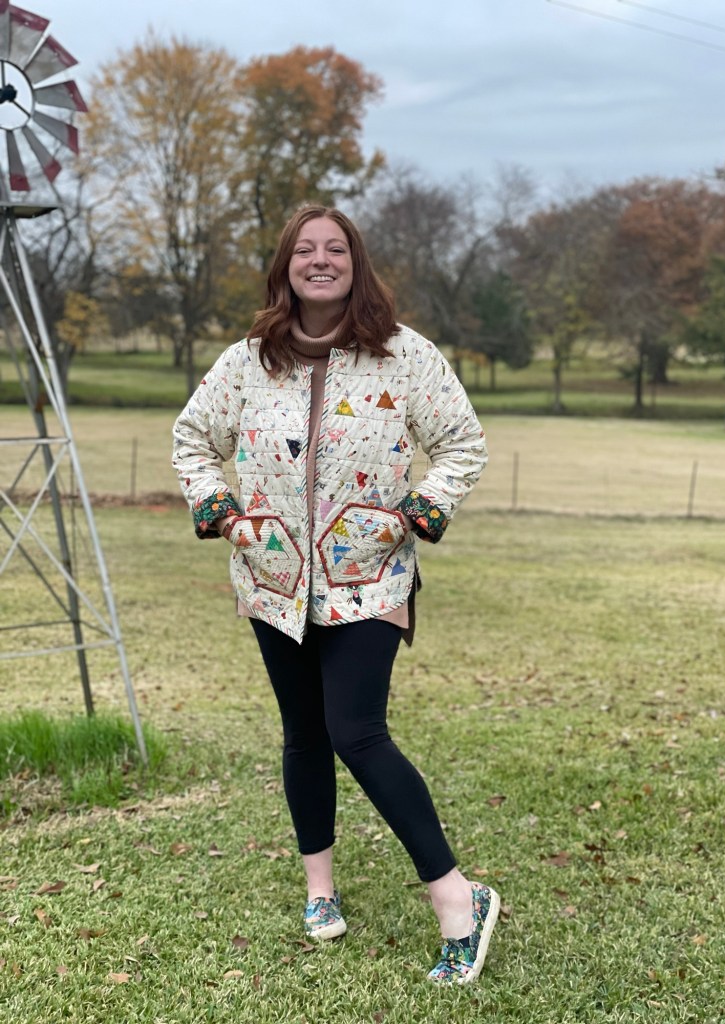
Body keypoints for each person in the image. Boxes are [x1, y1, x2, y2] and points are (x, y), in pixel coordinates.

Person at [172, 205, 498, 984]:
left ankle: (458, 897)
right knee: (302, 734)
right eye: (305, 250)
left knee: (357, 731)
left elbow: (463, 444)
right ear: (285, 266)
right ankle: (319, 890)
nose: (320, 261)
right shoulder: (248, 362)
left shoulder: (404, 356)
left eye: (335, 250)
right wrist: (226, 517)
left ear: (356, 265)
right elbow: (192, 441)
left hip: (369, 579)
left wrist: (410, 516)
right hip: (273, 580)